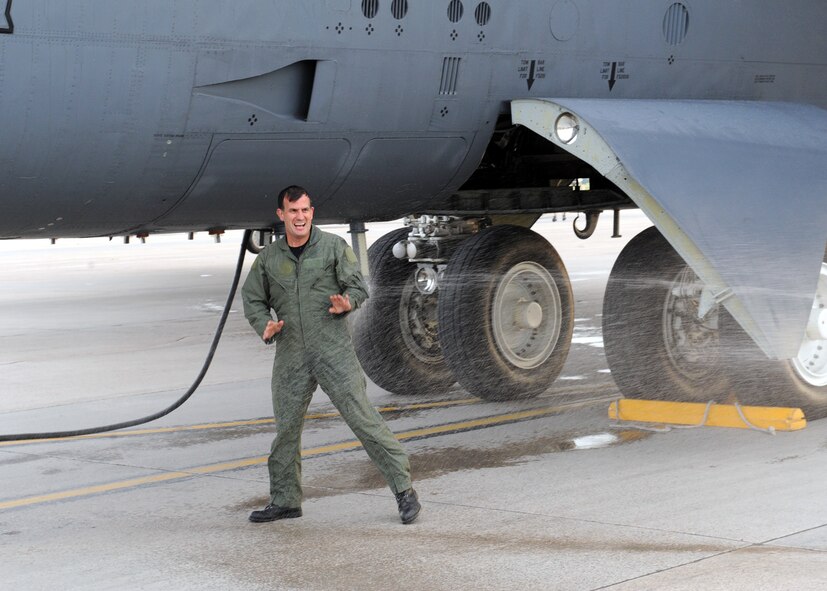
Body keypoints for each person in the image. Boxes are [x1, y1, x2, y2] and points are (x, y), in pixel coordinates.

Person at [241, 185, 421, 525]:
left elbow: (358, 287)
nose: (300, 217)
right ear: (281, 215)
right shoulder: (269, 259)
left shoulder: (333, 248)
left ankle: (404, 491)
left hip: (333, 349)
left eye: (305, 210)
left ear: (312, 213)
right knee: (286, 430)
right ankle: (285, 500)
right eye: (293, 211)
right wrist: (263, 323)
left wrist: (347, 303)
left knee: (363, 419)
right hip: (291, 352)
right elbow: (252, 298)